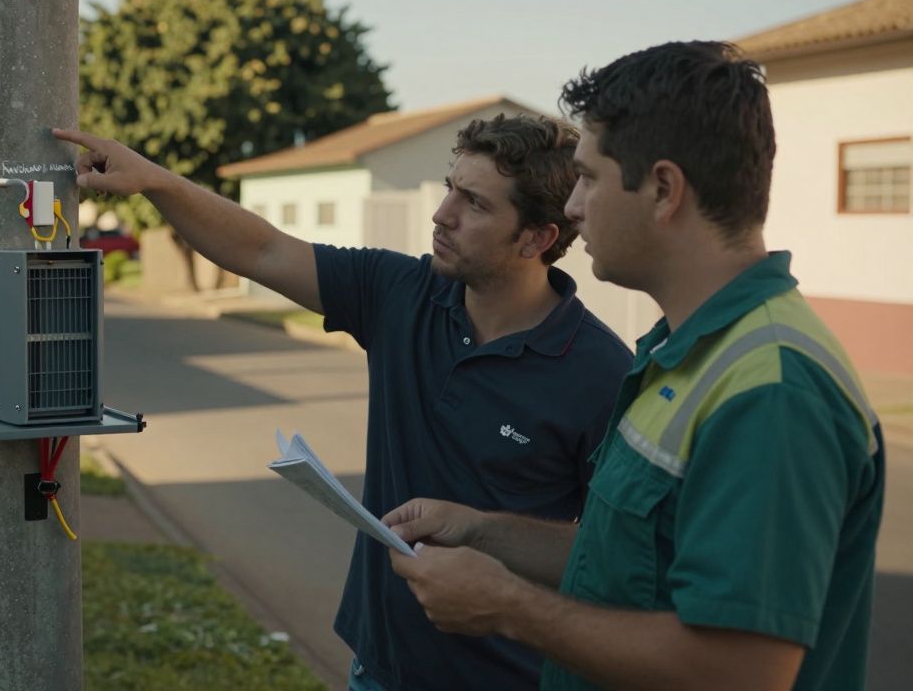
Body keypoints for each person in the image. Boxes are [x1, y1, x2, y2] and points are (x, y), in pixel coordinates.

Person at [55, 114, 632, 690]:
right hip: (375, 669)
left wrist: (482, 533)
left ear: (537, 238)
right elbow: (262, 251)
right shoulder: (401, 292)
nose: (442, 214)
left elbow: (614, 557)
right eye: (449, 188)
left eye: (475, 204)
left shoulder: (601, 375)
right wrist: (157, 181)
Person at [385, 41, 885, 690]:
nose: (571, 207)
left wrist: (510, 606)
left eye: (590, 177)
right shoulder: (683, 351)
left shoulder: (773, 388)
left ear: (663, 190)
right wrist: (485, 532)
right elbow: (630, 565)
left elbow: (740, 669)